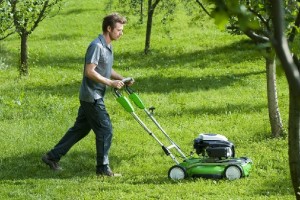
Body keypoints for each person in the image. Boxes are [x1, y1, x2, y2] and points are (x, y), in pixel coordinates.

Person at [42, 13, 133, 177]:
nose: (121, 33)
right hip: (92, 97)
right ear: (109, 28)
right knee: (105, 130)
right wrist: (110, 83)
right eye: (119, 30)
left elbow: (105, 68)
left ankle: (51, 156)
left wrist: (121, 79)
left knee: (80, 129)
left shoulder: (108, 46)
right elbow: (89, 72)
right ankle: (103, 169)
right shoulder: (96, 46)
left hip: (92, 95)